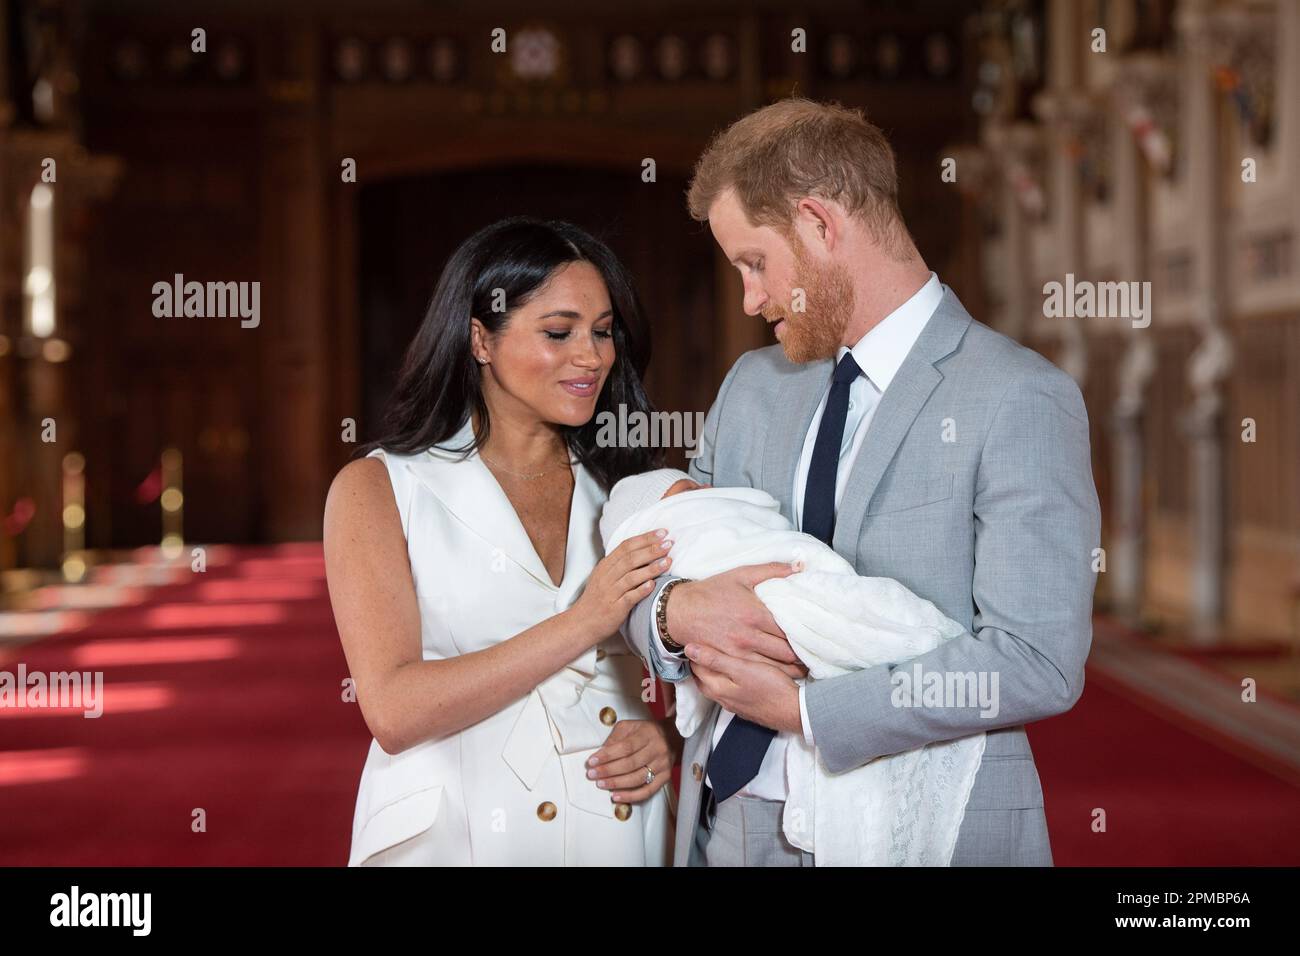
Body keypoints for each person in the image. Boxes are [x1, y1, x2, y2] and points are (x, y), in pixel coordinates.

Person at [619, 98, 1101, 867]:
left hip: (920, 824)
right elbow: (653, 559)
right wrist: (675, 611)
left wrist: (812, 711)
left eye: (755, 263)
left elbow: (1035, 662)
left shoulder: (1017, 396)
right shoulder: (753, 385)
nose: (750, 298)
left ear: (818, 223)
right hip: (723, 816)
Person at [324, 217, 676, 866]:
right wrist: (583, 621)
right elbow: (394, 711)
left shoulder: (634, 488)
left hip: (614, 831)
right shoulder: (379, 489)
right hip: (452, 839)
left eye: (603, 332)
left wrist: (665, 740)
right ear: (481, 339)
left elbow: (698, 662)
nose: (593, 356)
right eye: (558, 332)